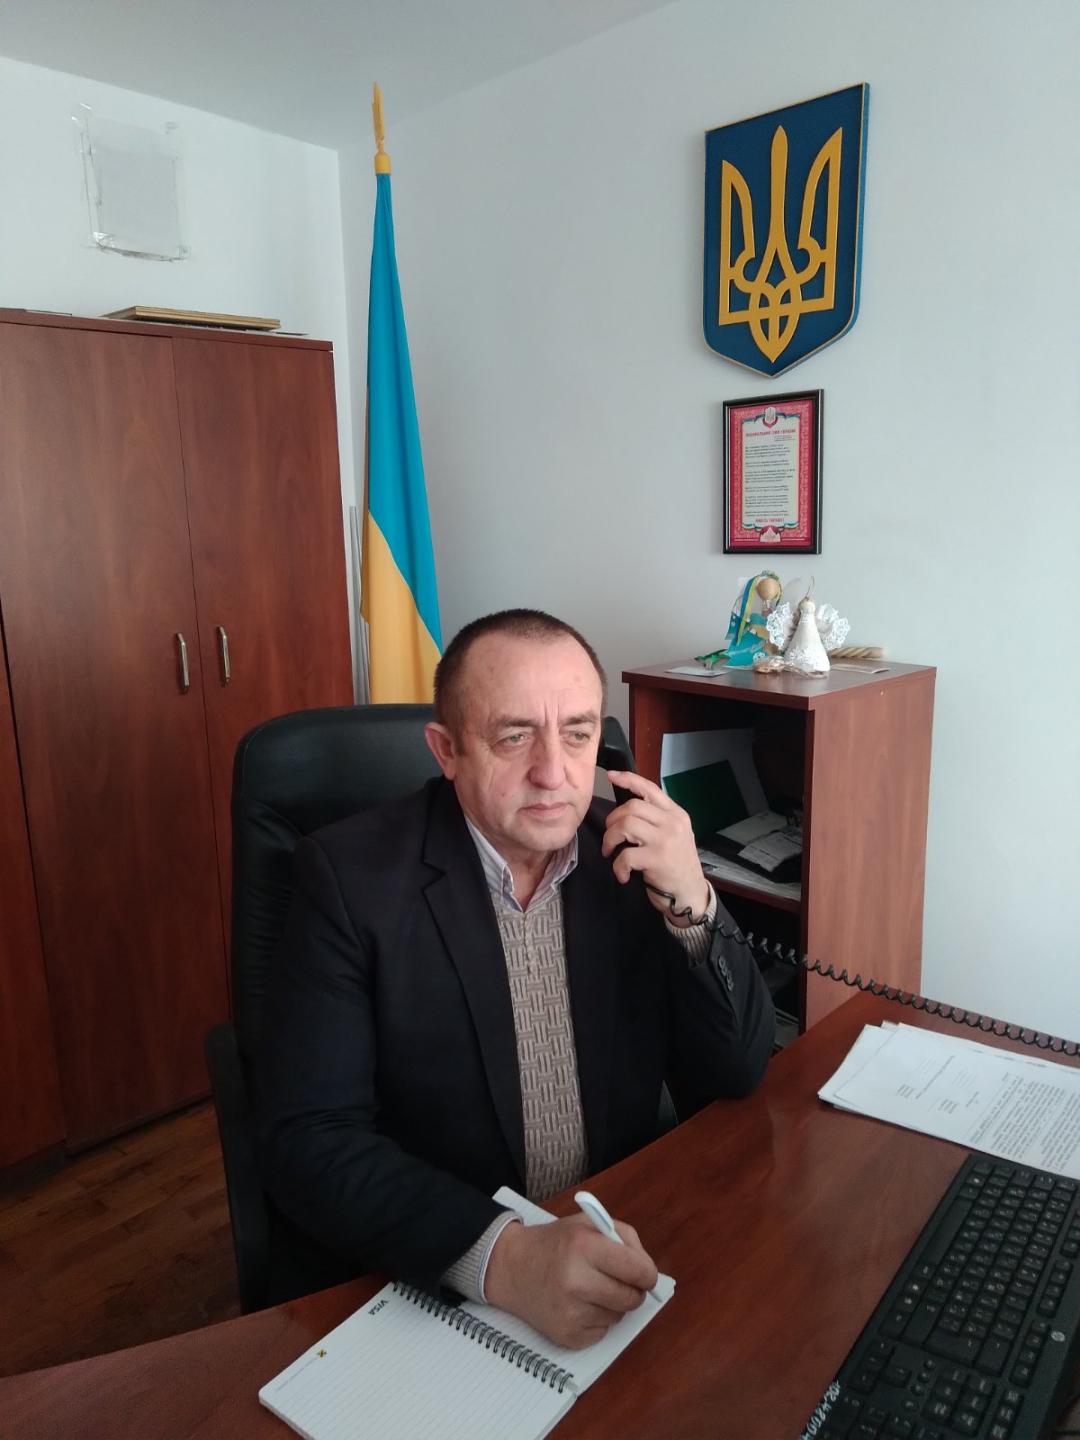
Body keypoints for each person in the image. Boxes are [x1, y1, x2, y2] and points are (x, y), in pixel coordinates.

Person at [257, 609, 774, 1348]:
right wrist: (504, 1257)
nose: (554, 773)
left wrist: (694, 901)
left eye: (578, 733)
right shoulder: (347, 880)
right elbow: (309, 1137)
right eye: (514, 737)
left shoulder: (629, 857)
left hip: (616, 1233)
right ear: (447, 750)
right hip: (436, 1279)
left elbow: (736, 1072)